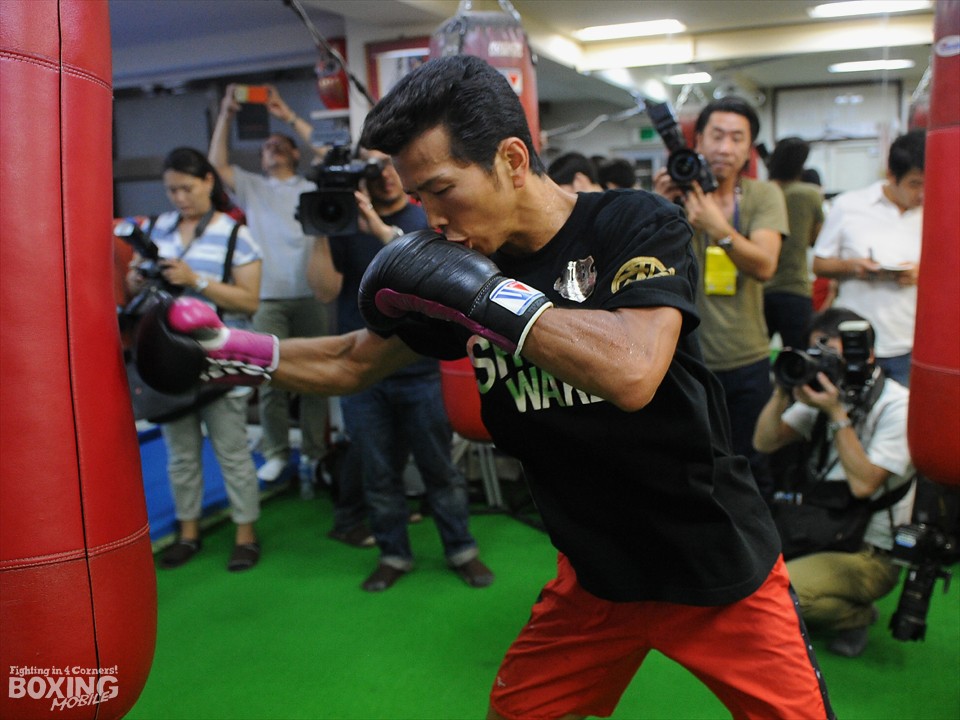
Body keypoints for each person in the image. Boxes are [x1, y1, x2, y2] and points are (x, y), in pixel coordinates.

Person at [138, 56, 834, 718]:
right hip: (597, 576)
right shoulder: (466, 264)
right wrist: (230, 351)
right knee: (517, 710)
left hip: (716, 563)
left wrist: (491, 297)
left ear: (512, 160)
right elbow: (353, 362)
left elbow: (632, 370)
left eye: (442, 191)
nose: (431, 219)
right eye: (418, 198)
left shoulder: (633, 222)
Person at [307, 147, 493, 591]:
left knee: (440, 469)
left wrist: (377, 228)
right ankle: (393, 554)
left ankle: (461, 550)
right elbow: (324, 291)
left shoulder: (424, 219)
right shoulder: (342, 223)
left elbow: (433, 275)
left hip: (419, 365)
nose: (385, 174)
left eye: (390, 164)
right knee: (378, 473)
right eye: (373, 167)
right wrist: (320, 227)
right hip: (363, 372)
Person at [125, 147, 263, 571]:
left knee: (232, 450)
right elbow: (134, 290)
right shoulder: (157, 229)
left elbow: (249, 301)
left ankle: (246, 534)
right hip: (168, 356)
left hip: (220, 355)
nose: (179, 198)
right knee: (180, 453)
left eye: (186, 188)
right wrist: (137, 278)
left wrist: (195, 279)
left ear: (208, 181)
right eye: (171, 190)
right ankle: (188, 532)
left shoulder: (235, 234)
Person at [753, 307, 915, 658]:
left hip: (870, 550)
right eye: (817, 352)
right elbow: (764, 442)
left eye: (831, 354)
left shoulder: (897, 406)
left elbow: (864, 485)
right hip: (820, 528)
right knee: (751, 575)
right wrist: (782, 392)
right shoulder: (825, 390)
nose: (823, 362)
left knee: (779, 596)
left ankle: (854, 616)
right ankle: (826, 592)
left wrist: (836, 413)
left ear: (864, 354)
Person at [654, 96, 788, 503]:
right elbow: (648, 268)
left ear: (749, 150)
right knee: (691, 467)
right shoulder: (672, 194)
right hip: (685, 359)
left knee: (751, 464)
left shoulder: (763, 195)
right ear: (697, 141)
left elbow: (764, 265)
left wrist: (718, 228)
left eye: (736, 138)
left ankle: (762, 543)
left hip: (746, 357)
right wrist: (660, 207)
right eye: (716, 136)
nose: (725, 148)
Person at [208, 83, 331, 492]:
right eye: (267, 147)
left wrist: (287, 114)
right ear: (260, 159)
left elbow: (329, 152)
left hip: (310, 294)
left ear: (295, 153)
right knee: (269, 378)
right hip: (266, 297)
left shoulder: (311, 186)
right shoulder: (252, 188)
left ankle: (315, 454)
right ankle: (277, 452)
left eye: (281, 145)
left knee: (316, 378)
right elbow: (215, 166)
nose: (273, 149)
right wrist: (226, 113)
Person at [811, 130, 925, 387]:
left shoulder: (934, 212)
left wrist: (919, 273)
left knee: (901, 411)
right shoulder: (849, 206)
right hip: (854, 341)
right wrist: (854, 267)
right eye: (915, 184)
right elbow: (818, 264)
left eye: (929, 184)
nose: (922, 193)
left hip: (908, 342)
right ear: (891, 175)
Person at [764, 137, 826, 351]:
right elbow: (816, 239)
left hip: (759, 289)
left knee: (755, 356)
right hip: (795, 288)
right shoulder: (810, 194)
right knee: (800, 358)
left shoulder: (761, 193)